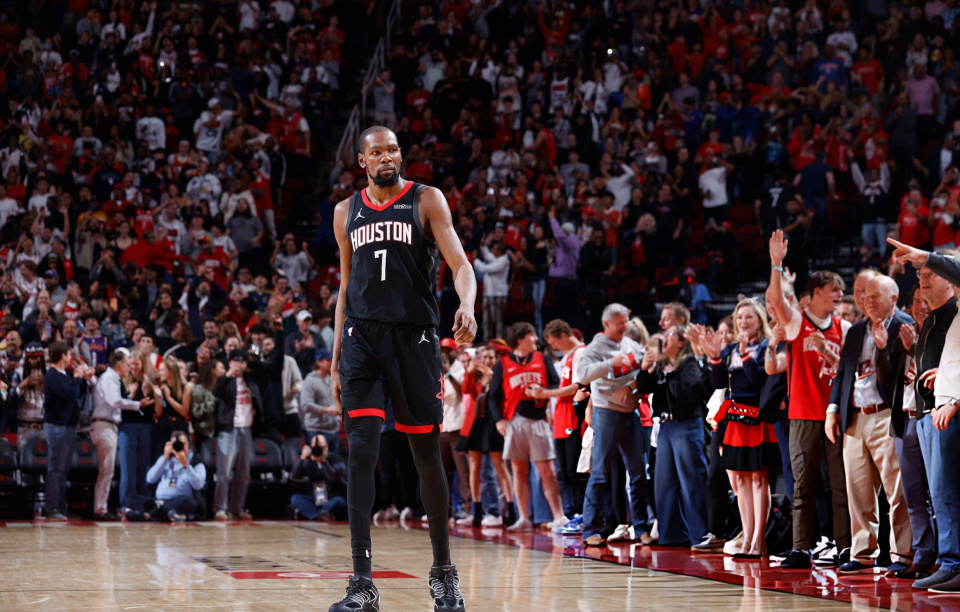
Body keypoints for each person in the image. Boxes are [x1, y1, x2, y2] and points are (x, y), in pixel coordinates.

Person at [329, 126, 477, 612]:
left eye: (392, 149)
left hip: (414, 339)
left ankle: (444, 574)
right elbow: (345, 287)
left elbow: (461, 265)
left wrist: (467, 304)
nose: (387, 157)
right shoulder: (345, 211)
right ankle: (361, 582)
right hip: (361, 340)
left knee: (426, 456)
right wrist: (335, 360)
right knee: (360, 453)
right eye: (377, 152)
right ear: (362, 161)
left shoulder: (426, 199)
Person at [768, 230, 851, 569]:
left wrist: (828, 354)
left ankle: (845, 547)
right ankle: (801, 548)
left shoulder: (844, 328)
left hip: (835, 414)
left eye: (841, 292)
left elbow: (849, 371)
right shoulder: (797, 322)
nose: (839, 296)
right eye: (834, 291)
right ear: (816, 291)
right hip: (802, 414)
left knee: (840, 485)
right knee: (803, 485)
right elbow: (777, 302)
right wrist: (776, 264)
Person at [826, 274, 913, 573]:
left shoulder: (905, 325)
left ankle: (902, 554)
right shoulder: (855, 330)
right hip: (854, 416)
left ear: (893, 298)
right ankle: (862, 552)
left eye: (876, 295)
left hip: (886, 413)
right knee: (858, 490)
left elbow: (897, 375)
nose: (868, 300)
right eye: (865, 295)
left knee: (897, 490)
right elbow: (842, 371)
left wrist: (883, 348)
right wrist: (832, 409)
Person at [887, 238, 960, 590]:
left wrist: (926, 256)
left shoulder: (955, 312)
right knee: (937, 493)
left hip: (948, 411)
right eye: (920, 275)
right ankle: (947, 560)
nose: (923, 279)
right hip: (928, 412)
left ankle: (953, 561)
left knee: (947, 492)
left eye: (931, 273)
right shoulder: (933, 319)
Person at [699, 299, 777, 558]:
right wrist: (714, 358)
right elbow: (718, 383)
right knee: (740, 481)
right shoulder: (732, 348)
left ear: (760, 320)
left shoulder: (765, 346)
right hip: (735, 420)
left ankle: (758, 541)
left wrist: (745, 355)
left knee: (758, 479)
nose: (743, 322)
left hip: (758, 418)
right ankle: (746, 537)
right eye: (740, 317)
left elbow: (759, 381)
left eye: (749, 317)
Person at [571, 305, 652, 546]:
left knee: (638, 471)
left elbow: (644, 367)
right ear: (606, 324)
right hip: (606, 412)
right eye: (620, 323)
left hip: (630, 412)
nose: (624, 327)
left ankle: (641, 526)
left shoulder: (630, 344)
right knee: (600, 472)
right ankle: (590, 530)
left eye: (626, 321)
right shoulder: (594, 348)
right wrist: (609, 364)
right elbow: (581, 376)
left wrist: (648, 362)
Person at [488, 322, 568, 532]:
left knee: (547, 471)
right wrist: (499, 420)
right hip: (515, 421)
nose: (536, 339)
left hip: (539, 421)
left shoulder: (542, 359)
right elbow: (493, 396)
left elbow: (557, 385)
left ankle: (559, 516)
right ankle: (523, 518)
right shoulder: (503, 364)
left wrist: (543, 391)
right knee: (519, 471)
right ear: (521, 338)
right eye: (532, 336)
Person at [634, 325, 709, 547]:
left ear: (681, 342)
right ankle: (671, 535)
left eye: (670, 335)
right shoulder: (661, 365)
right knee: (663, 483)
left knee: (691, 482)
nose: (664, 338)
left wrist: (670, 373)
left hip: (686, 424)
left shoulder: (688, 364)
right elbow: (644, 388)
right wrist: (645, 369)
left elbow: (689, 392)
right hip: (666, 426)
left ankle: (700, 535)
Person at [455, 344, 515, 527]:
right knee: (475, 467)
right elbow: (465, 390)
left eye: (491, 357)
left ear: (496, 359)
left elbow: (505, 394)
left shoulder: (500, 373)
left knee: (500, 466)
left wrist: (492, 377)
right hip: (475, 422)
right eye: (485, 357)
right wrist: (469, 371)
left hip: (494, 422)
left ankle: (510, 510)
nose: (488, 360)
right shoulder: (474, 374)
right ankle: (477, 511)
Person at [90, 349, 154, 519]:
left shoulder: (111, 377)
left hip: (107, 425)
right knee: (106, 470)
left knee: (107, 470)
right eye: (127, 364)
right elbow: (114, 401)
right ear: (119, 364)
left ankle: (100, 508)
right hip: (104, 424)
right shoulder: (110, 377)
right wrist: (137, 404)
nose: (129, 367)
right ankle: (100, 509)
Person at [43, 341, 94, 519]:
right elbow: (70, 395)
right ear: (63, 355)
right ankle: (52, 508)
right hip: (57, 426)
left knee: (63, 468)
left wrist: (83, 380)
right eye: (69, 354)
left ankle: (61, 507)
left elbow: (76, 393)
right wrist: (78, 377)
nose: (71, 358)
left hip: (67, 425)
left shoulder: (63, 375)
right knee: (56, 468)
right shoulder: (53, 375)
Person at [213, 347, 263, 521]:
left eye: (242, 361)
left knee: (244, 474)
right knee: (224, 473)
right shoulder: (225, 380)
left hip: (246, 429)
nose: (239, 364)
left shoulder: (251, 379)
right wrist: (228, 374)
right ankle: (220, 508)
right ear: (230, 363)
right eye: (236, 361)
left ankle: (237, 508)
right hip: (228, 429)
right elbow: (215, 392)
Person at [122, 430, 207, 522]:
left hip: (179, 501)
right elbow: (150, 479)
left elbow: (199, 485)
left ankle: (146, 514)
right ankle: (166, 514)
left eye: (182, 444)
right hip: (158, 501)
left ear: (188, 444)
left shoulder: (195, 461)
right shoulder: (165, 459)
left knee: (190, 502)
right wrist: (164, 457)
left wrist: (186, 465)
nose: (179, 447)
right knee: (130, 499)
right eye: (175, 444)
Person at [289, 433, 348, 521]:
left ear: (326, 447)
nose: (317, 451)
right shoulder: (309, 461)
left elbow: (333, 477)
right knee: (295, 499)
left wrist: (323, 462)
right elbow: (294, 476)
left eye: (320, 448)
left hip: (331, 498)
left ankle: (311, 515)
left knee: (338, 501)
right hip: (315, 499)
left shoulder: (336, 458)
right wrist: (302, 458)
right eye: (314, 448)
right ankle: (318, 515)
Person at [300, 348, 340, 455]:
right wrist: (327, 410)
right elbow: (305, 404)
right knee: (317, 462)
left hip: (333, 429)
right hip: (316, 430)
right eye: (328, 360)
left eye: (331, 359)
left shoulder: (331, 379)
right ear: (319, 362)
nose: (331, 362)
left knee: (333, 462)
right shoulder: (310, 380)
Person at [155, 356, 191, 457]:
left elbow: (184, 411)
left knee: (180, 456)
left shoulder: (185, 388)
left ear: (170, 371)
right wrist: (158, 398)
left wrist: (169, 398)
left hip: (179, 426)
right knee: (162, 457)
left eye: (162, 370)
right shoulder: (161, 388)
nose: (159, 373)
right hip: (164, 426)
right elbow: (158, 413)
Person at [12, 342, 45, 451]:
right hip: (25, 426)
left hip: (44, 426)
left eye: (37, 357)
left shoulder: (49, 372)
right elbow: (9, 397)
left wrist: (46, 385)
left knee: (45, 458)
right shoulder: (19, 372)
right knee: (23, 456)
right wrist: (22, 385)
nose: (34, 361)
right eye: (31, 358)